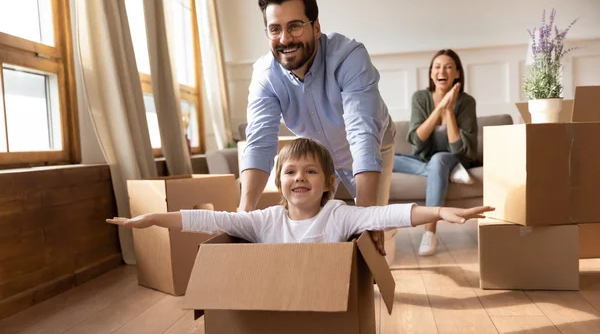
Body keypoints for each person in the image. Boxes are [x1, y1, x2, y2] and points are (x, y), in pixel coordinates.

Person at [108, 139, 492, 245]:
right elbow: (210, 219)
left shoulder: (338, 214)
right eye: (290, 171)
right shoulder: (264, 222)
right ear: (280, 183)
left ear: (328, 183)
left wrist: (439, 212)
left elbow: (388, 214)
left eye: (311, 171)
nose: (299, 177)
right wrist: (155, 218)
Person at [239, 0, 396, 254]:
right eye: (275, 29)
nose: (285, 39)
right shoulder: (265, 75)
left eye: (295, 26)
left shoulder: (349, 57)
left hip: (374, 145)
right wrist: (243, 215)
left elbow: (362, 134)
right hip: (318, 158)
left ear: (316, 27)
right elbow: (260, 143)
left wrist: (367, 217)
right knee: (314, 231)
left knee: (376, 229)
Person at [393, 49, 478, 256]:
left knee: (440, 159)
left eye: (449, 67)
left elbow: (459, 148)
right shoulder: (420, 98)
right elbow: (417, 141)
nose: (443, 71)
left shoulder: (466, 102)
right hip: (426, 159)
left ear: (457, 73)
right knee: (386, 158)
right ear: (431, 73)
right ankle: (442, 173)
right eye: (438, 67)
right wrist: (439, 107)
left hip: (455, 159)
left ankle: (429, 232)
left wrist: (449, 111)